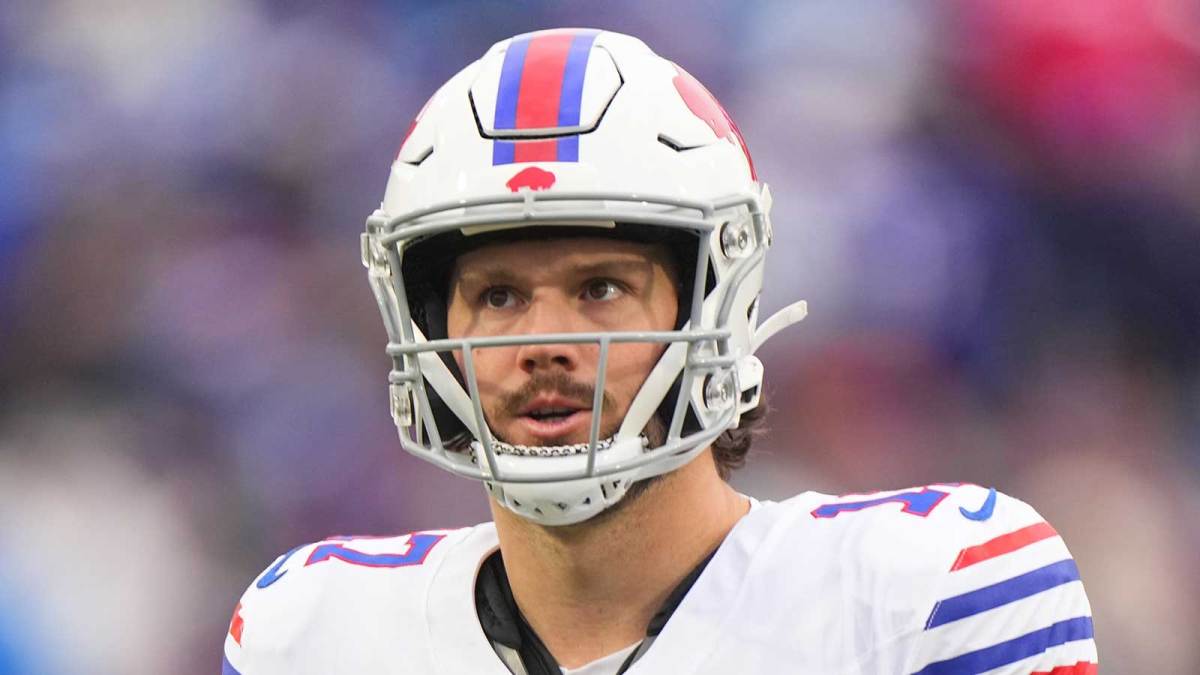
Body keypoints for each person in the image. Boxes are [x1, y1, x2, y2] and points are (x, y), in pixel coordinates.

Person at [223, 29, 1098, 674]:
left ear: (715, 300)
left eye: (601, 287)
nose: (544, 343)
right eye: (499, 296)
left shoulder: (929, 595)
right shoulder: (311, 633)